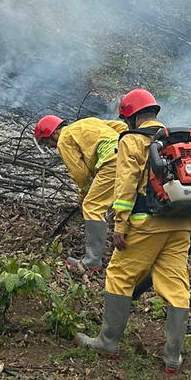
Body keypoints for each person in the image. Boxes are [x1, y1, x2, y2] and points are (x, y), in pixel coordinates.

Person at [77, 88, 191, 373]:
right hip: (181, 226)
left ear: (131, 117)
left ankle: (107, 342)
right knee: (176, 286)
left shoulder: (132, 140)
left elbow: (126, 183)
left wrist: (121, 223)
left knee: (119, 275)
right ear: (153, 112)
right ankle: (173, 358)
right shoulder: (179, 139)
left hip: (146, 223)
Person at [34, 111, 128, 270]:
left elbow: (80, 174)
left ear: (52, 133)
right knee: (125, 203)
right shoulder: (88, 121)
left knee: (92, 207)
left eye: (47, 143)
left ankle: (92, 261)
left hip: (112, 163)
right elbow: (122, 126)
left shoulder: (64, 139)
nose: (51, 147)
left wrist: (83, 196)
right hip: (129, 157)